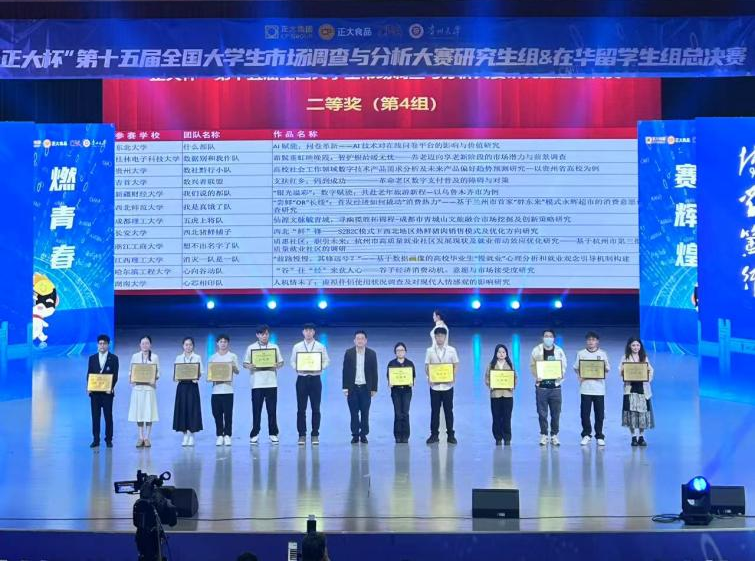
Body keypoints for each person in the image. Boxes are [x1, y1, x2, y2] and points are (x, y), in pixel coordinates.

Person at [243, 324, 284, 445]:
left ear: (268, 334)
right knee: (256, 410)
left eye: (266, 334)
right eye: (262, 334)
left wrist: (277, 365)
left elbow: (281, 362)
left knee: (272, 410)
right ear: (257, 335)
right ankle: (255, 433)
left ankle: (273, 433)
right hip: (257, 384)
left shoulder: (274, 347)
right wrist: (249, 366)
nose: (264, 336)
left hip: (271, 383)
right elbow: (245, 363)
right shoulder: (251, 348)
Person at [291, 323, 331, 445]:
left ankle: (315, 434)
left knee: (316, 408)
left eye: (310, 330)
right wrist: (297, 368)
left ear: (314, 332)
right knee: (301, 409)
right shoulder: (297, 346)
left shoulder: (320, 346)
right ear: (303, 332)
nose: (308, 332)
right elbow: (292, 361)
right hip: (302, 379)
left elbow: (326, 361)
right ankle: (301, 435)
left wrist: (320, 367)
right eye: (306, 330)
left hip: (315, 379)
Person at [529, 329, 567, 447]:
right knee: (542, 413)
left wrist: (560, 374)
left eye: (550, 336)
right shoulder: (536, 350)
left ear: (553, 338)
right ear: (542, 338)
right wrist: (537, 375)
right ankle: (544, 434)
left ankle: (554, 435)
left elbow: (564, 365)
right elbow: (532, 365)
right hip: (542, 387)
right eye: (546, 336)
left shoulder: (559, 351)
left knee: (556, 413)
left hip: (555, 387)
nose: (548, 338)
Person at [573, 331, 610, 447]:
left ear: (597, 341)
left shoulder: (602, 354)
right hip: (585, 388)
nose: (591, 342)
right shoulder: (581, 353)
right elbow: (576, 367)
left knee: (599, 414)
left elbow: (607, 368)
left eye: (593, 340)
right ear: (586, 341)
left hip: (599, 389)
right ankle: (586, 434)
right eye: (589, 340)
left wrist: (601, 372)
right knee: (585, 414)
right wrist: (581, 375)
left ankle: (599, 436)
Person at [342, 330, 378, 444]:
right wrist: (345, 387)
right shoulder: (349, 353)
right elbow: (345, 371)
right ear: (354, 340)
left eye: (362, 338)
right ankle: (355, 434)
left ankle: (363, 434)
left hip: (366, 388)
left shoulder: (372, 353)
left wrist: (374, 388)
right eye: (358, 338)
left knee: (365, 413)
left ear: (366, 340)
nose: (360, 340)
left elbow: (374, 372)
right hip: (352, 388)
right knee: (353, 413)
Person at [425, 327, 459, 445]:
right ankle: (434, 435)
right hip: (434, 387)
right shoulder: (430, 351)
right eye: (437, 336)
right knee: (434, 411)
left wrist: (452, 377)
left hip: (447, 386)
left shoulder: (451, 350)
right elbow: (427, 366)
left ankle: (451, 435)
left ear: (445, 337)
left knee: (448, 411)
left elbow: (456, 364)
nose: (440, 338)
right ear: (435, 337)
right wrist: (430, 378)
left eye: (442, 336)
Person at [620, 337, 655, 447]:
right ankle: (633, 437)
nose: (636, 347)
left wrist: (647, 378)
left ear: (640, 346)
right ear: (629, 346)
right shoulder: (625, 358)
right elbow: (621, 371)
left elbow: (651, 370)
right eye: (633, 345)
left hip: (643, 389)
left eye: (638, 345)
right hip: (630, 389)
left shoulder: (644, 357)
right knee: (631, 414)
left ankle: (641, 436)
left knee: (642, 414)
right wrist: (624, 373)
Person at [87, 334, 119, 448]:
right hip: (95, 394)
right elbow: (89, 374)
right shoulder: (92, 358)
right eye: (100, 343)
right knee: (95, 417)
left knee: (108, 416)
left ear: (108, 345)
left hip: (107, 394)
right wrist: (89, 387)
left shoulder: (114, 358)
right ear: (97, 345)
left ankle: (108, 439)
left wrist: (110, 388)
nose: (102, 345)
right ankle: (96, 439)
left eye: (104, 343)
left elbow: (115, 376)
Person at [208, 334, 240, 446]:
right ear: (217, 343)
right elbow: (210, 374)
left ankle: (227, 435)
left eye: (225, 341)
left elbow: (237, 371)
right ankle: (219, 435)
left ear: (228, 343)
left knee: (228, 414)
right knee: (216, 414)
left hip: (228, 390)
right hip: (216, 390)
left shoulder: (232, 356)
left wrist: (233, 366)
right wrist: (211, 377)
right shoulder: (213, 357)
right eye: (221, 341)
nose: (223, 343)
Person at [128, 335, 159, 448]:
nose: (145, 345)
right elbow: (131, 371)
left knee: (149, 413)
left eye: (147, 343)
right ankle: (140, 437)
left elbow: (158, 372)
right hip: (138, 388)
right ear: (140, 345)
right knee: (139, 413)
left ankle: (147, 437)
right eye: (143, 343)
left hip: (149, 389)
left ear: (150, 345)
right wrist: (131, 379)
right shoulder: (135, 356)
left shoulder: (154, 357)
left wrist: (154, 378)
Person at [172, 336, 203, 447]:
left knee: (192, 410)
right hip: (182, 387)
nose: (188, 347)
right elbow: (175, 373)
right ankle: (185, 435)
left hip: (192, 387)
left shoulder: (197, 357)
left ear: (193, 346)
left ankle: (191, 434)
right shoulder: (179, 358)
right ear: (183, 346)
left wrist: (197, 376)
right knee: (183, 410)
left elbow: (200, 372)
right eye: (186, 344)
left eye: (190, 345)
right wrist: (176, 377)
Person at [484, 344, 517, 446]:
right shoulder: (491, 365)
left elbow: (515, 377)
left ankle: (507, 438)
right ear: (496, 353)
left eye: (503, 352)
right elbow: (487, 378)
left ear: (506, 354)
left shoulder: (510, 365)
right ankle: (498, 438)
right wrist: (490, 385)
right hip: (496, 395)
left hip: (508, 395)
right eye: (499, 352)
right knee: (496, 417)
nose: (501, 354)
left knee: (507, 417)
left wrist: (512, 385)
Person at [387, 342, 415, 444]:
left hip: (407, 391)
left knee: (405, 413)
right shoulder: (391, 363)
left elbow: (413, 376)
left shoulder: (410, 363)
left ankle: (406, 436)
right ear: (395, 352)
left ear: (405, 351)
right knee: (398, 413)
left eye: (402, 350)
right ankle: (398, 436)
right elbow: (388, 377)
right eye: (398, 350)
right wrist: (390, 383)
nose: (400, 352)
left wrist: (412, 382)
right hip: (396, 391)